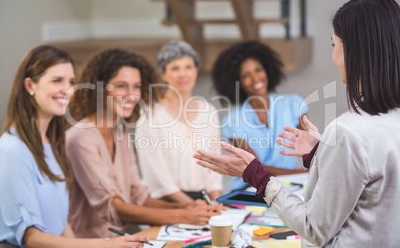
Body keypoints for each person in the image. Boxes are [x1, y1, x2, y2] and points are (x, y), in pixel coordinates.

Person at [195, 0, 400, 247]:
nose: (333, 55)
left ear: (353, 51)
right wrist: (320, 154)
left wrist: (259, 175)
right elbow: (370, 187)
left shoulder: (347, 131)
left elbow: (314, 227)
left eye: (333, 45)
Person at [0, 45, 149, 248]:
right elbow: (31, 238)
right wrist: (107, 245)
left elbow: (61, 224)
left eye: (71, 82)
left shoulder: (52, 145)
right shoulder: (13, 150)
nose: (67, 89)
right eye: (57, 80)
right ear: (30, 86)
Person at [66, 48, 223, 238]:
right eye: (121, 86)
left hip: (118, 240)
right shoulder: (79, 138)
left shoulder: (121, 133)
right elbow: (112, 207)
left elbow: (137, 196)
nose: (131, 95)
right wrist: (183, 214)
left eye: (137, 87)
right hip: (87, 243)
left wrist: (188, 206)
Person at [211, 41, 309, 191]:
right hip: (249, 191)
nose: (255, 78)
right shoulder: (233, 121)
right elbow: (255, 169)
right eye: (246, 75)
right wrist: (302, 174)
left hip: (289, 188)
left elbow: (311, 150)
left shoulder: (294, 104)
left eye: (258, 70)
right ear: (238, 82)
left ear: (267, 70)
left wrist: (312, 173)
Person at [135, 40, 223, 204]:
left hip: (203, 202)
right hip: (166, 203)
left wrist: (217, 203)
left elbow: (214, 165)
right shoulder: (150, 115)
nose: (183, 74)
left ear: (196, 70)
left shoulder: (208, 111)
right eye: (175, 68)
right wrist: (192, 207)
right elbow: (156, 176)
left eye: (188, 67)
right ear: (163, 74)